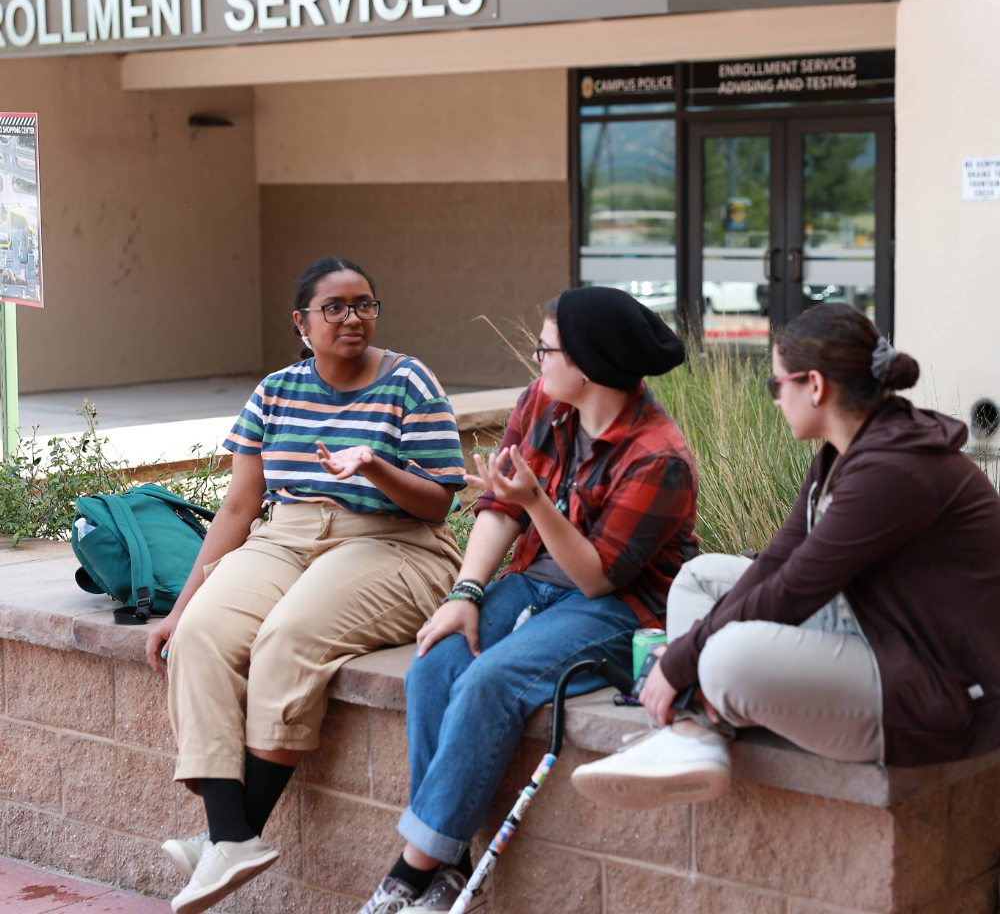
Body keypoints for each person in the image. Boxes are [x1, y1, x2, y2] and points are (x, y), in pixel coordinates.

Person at [572, 302, 1000, 809]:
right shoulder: (843, 451)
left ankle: (695, 723)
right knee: (698, 578)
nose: (775, 399)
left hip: (941, 691)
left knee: (727, 659)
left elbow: (794, 592)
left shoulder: (894, 469)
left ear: (815, 386)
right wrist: (687, 661)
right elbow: (776, 563)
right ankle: (696, 737)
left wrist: (679, 663)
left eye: (779, 385)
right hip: (880, 631)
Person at [357, 286, 699, 914]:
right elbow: (497, 508)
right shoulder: (544, 402)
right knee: (435, 662)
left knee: (493, 681)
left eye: (546, 349)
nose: (536, 360)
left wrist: (538, 501)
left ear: (589, 363)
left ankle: (408, 873)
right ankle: (448, 868)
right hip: (534, 578)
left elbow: (598, 576)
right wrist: (465, 593)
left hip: (619, 606)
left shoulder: (660, 457)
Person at [143, 257, 468, 914]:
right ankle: (230, 837)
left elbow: (438, 503)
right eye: (335, 307)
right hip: (286, 534)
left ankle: (225, 841)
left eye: (364, 304)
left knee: (291, 635)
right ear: (302, 322)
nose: (353, 318)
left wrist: (375, 466)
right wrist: (180, 609)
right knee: (204, 633)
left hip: (390, 539)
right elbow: (238, 508)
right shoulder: (275, 390)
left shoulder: (410, 382)